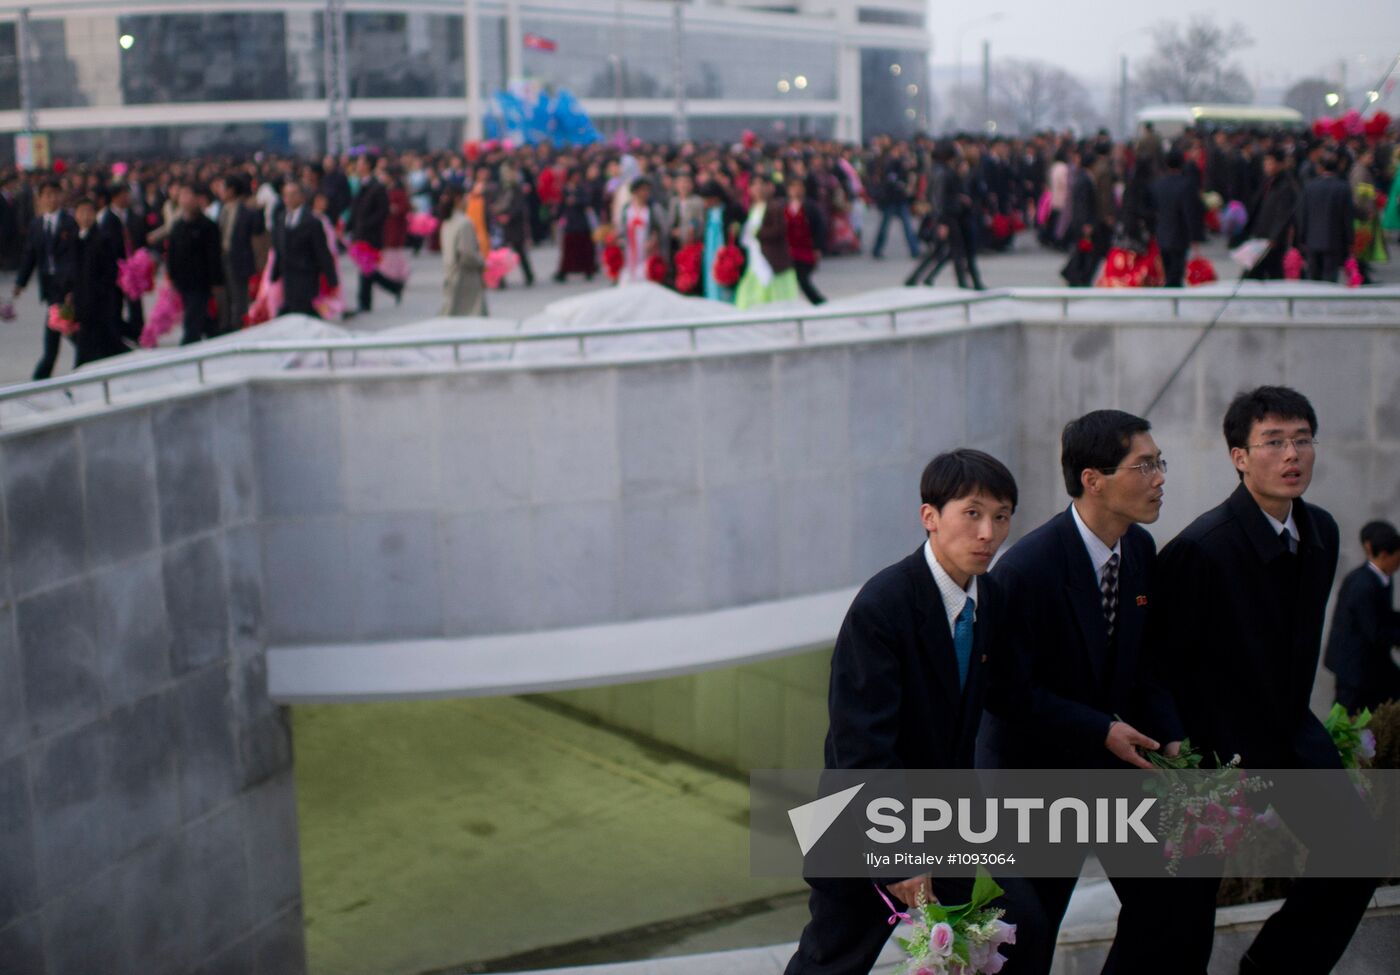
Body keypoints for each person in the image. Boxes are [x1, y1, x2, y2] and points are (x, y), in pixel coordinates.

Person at [1154, 386, 1381, 975]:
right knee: (1182, 912)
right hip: (1213, 752)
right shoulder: (1201, 550)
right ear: (1239, 457)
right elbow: (1164, 667)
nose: (1292, 456)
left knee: (1357, 854)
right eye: (1274, 442)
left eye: (1302, 440)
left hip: (1288, 735)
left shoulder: (1323, 532)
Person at [785, 450, 1038, 975]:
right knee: (830, 963)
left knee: (998, 938)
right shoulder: (884, 605)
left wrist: (1103, 728)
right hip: (863, 821)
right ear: (930, 517)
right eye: (972, 513)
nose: (989, 532)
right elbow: (861, 746)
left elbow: (1015, 697)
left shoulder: (987, 597)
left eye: (1002, 515)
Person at [979, 410, 1197, 975]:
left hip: (1114, 768)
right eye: (1143, 465)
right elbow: (1005, 693)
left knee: (1166, 904)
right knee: (1031, 933)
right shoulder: (1025, 570)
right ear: (1093, 479)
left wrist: (1172, 737)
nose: (1159, 478)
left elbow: (1144, 665)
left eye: (1159, 463)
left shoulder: (1142, 551)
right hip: (1037, 778)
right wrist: (1099, 728)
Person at [1324, 520, 1400, 713]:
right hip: (1354, 667)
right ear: (1384, 555)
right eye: (1397, 557)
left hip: (1372, 662)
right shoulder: (1362, 585)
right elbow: (1375, 630)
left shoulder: (1383, 577)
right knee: (1345, 718)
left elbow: (1385, 616)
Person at [14, 179, 79, 379]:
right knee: (64, 335)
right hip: (50, 288)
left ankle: (41, 379)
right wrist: (20, 283)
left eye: (55, 194)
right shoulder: (37, 225)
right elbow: (30, 255)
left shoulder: (70, 223)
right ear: (40, 199)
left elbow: (75, 257)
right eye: (47, 195)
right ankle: (42, 379)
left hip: (67, 289)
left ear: (61, 196)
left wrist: (74, 288)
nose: (51, 199)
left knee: (64, 336)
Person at [69, 197, 125, 365]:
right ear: (76, 215)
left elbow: (110, 271)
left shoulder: (102, 239)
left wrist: (101, 293)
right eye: (81, 212)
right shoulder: (73, 239)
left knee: (95, 344)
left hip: (99, 303)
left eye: (89, 212)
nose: (85, 216)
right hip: (81, 303)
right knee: (95, 344)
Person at [165, 185, 223, 344]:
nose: (185, 200)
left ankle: (189, 345)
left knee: (192, 320)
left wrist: (216, 280)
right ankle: (214, 334)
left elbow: (214, 255)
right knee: (201, 317)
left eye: (188, 196)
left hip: (201, 281)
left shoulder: (208, 226)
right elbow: (172, 254)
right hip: (183, 281)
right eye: (182, 196)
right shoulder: (178, 226)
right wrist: (171, 275)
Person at [271, 181, 337, 318]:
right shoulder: (281, 218)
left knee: (305, 310)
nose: (289, 199)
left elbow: (322, 251)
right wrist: (275, 272)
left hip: (306, 274)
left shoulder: (312, 221)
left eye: (293, 194)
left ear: (302, 197)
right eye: (286, 195)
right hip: (288, 274)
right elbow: (278, 247)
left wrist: (332, 278)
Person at [734, 176, 799, 309]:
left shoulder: (774, 207)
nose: (757, 189)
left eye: (761, 185)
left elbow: (779, 230)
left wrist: (757, 233)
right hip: (755, 256)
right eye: (754, 185)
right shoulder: (752, 208)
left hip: (771, 258)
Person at [348, 154, 402, 312]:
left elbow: (382, 211)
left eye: (360, 163)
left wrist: (366, 224)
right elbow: (356, 209)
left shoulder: (377, 186)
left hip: (371, 235)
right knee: (366, 269)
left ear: (367, 166)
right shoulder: (362, 184)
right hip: (361, 233)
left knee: (367, 270)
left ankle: (365, 302)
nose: (358, 166)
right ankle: (393, 287)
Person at [217, 173, 266, 335]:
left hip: (239, 259)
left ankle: (240, 327)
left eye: (223, 189)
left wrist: (259, 211)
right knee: (227, 296)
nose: (221, 192)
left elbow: (258, 229)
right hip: (224, 258)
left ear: (231, 190)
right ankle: (228, 325)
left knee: (240, 297)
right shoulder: (223, 209)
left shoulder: (246, 211)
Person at [1295, 153, 1353, 283]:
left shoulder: (1309, 187)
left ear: (1320, 168)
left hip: (1312, 239)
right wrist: (1349, 239)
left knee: (1313, 278)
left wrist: (1302, 237)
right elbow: (1347, 217)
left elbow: (1303, 214)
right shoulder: (1343, 188)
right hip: (1334, 240)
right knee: (1330, 278)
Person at [97, 182, 144, 343]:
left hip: (133, 268)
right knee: (115, 305)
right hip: (116, 269)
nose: (128, 197)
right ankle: (120, 334)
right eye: (124, 194)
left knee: (135, 304)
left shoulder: (134, 215)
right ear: (115, 197)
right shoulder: (107, 218)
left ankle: (139, 334)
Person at [1243, 150, 1300, 281]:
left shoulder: (1286, 185)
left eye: (1270, 163)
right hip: (1260, 237)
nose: (1267, 166)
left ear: (1280, 164)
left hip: (1272, 241)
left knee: (1272, 274)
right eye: (1265, 162)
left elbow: (1283, 214)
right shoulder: (1268, 182)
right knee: (1256, 274)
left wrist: (1274, 236)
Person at [1151, 149, 1196, 288]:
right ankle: (1173, 297)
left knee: (1167, 267)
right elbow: (1189, 212)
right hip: (1180, 234)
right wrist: (1194, 236)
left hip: (1162, 232)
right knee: (1177, 271)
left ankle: (1169, 294)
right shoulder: (1186, 185)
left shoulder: (1157, 184)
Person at [440, 189, 488, 317]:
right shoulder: (464, 223)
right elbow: (467, 253)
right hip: (465, 277)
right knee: (471, 315)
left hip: (451, 274)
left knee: (452, 313)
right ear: (458, 200)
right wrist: (482, 262)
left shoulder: (447, 221)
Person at [784, 179, 826, 305]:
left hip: (806, 250)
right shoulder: (784, 206)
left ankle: (819, 302)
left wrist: (817, 248)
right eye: (793, 187)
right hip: (789, 251)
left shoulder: (811, 207)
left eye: (799, 187)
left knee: (802, 279)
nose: (796, 190)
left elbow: (820, 228)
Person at [553, 168, 597, 282]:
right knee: (569, 249)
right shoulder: (565, 189)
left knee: (585, 248)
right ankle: (564, 271)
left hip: (581, 222)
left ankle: (588, 270)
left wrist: (576, 201)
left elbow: (587, 201)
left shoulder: (582, 188)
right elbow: (561, 205)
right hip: (570, 222)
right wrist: (557, 217)